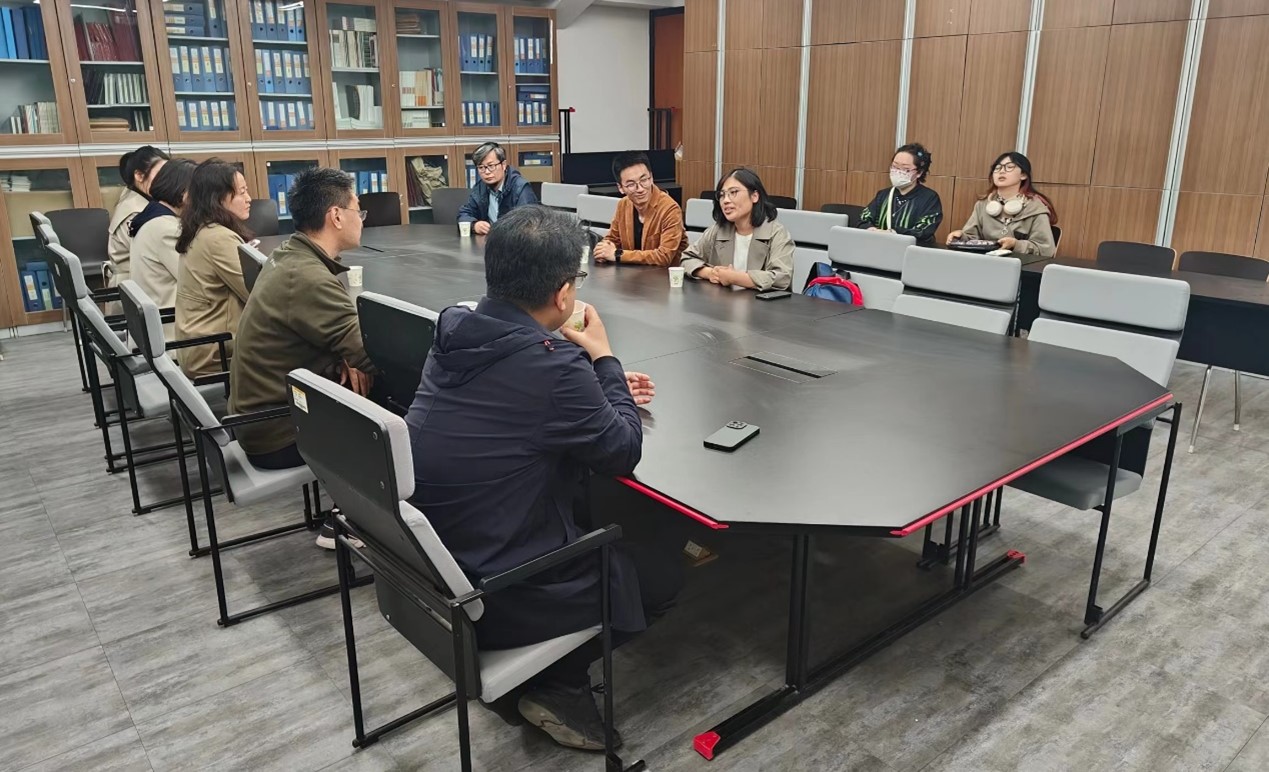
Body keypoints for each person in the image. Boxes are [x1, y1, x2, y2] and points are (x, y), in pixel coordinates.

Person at [405, 204, 681, 751]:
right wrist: (602, 358)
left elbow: (522, 399)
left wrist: (592, 384)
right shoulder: (554, 367)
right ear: (563, 293)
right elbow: (622, 450)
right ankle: (558, 684)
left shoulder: (453, 329)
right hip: (495, 589)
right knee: (659, 577)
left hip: (430, 563)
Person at [229, 168, 375, 547]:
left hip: (260, 418)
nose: (361, 218)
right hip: (277, 432)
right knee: (396, 410)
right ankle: (348, 523)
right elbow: (369, 356)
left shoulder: (288, 256)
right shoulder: (308, 277)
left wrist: (345, 356)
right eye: (358, 209)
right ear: (336, 216)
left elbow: (335, 339)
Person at [174, 160, 253, 378]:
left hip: (199, 345)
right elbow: (258, 292)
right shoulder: (218, 238)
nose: (249, 198)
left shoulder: (202, 229)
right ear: (218, 199)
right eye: (242, 193)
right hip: (214, 352)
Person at [678, 168, 794, 291]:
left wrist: (734, 278)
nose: (726, 200)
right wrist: (710, 273)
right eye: (722, 195)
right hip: (723, 301)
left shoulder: (776, 233)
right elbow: (686, 259)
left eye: (733, 192)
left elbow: (782, 278)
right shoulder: (718, 230)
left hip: (760, 302)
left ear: (754, 196)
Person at [947, 151, 1057, 257]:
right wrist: (961, 237)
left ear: (1023, 175)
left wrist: (1016, 244)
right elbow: (972, 237)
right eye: (997, 168)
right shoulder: (982, 205)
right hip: (985, 262)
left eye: (1009, 167)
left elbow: (1045, 249)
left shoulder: (1035, 208)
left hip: (1021, 265)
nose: (1001, 171)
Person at [593, 151, 687, 266]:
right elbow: (612, 239)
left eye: (644, 180)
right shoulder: (623, 205)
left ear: (651, 178)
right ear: (620, 188)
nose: (640, 189)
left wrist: (618, 254)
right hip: (630, 273)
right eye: (631, 184)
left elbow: (664, 256)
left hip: (663, 275)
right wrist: (603, 250)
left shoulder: (670, 209)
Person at [130, 158, 196, 310]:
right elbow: (194, 281)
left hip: (156, 310)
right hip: (171, 317)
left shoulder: (151, 215)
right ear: (184, 193)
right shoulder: (167, 229)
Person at [859, 143, 943, 246]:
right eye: (895, 167)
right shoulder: (883, 195)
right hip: (880, 247)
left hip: (912, 251)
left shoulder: (929, 198)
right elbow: (863, 219)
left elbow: (923, 231)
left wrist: (894, 233)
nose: (898, 172)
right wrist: (871, 229)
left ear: (919, 173)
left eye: (905, 169)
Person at [108, 145, 169, 286]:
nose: (167, 179)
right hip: (133, 286)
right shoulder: (137, 213)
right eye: (161, 174)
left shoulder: (133, 197)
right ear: (139, 176)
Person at [457, 142, 538, 235]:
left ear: (503, 165)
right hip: (490, 241)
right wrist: (474, 225)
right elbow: (464, 214)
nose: (487, 172)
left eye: (491, 166)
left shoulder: (521, 188)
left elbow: (528, 225)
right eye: (481, 167)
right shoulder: (480, 187)